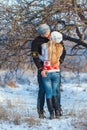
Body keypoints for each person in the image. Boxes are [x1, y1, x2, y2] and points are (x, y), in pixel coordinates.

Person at [31, 24, 66, 119]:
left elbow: (63, 51)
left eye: (48, 32)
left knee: (56, 90)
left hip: (54, 69)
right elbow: (35, 56)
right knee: (42, 90)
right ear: (41, 34)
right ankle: (40, 111)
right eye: (45, 33)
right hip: (43, 70)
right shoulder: (36, 42)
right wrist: (40, 68)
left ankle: (58, 109)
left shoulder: (55, 37)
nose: (48, 34)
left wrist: (60, 61)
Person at [40, 31, 63, 119]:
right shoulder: (60, 48)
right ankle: (57, 111)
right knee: (55, 92)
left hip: (46, 72)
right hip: (56, 71)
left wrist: (37, 55)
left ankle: (51, 114)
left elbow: (43, 58)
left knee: (48, 93)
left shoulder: (44, 46)